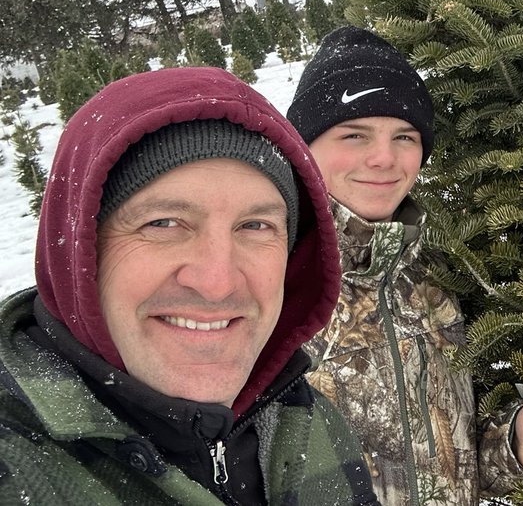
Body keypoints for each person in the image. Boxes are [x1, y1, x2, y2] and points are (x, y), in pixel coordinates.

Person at [0, 66, 379, 505]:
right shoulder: (19, 467)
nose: (216, 283)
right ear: (79, 256)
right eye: (163, 223)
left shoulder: (306, 419)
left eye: (255, 225)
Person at [286, 26, 523, 506]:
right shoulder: (270, 280)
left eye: (404, 135)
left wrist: (513, 449)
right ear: (304, 146)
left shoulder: (436, 269)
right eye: (354, 134)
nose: (384, 157)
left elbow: (447, 461)